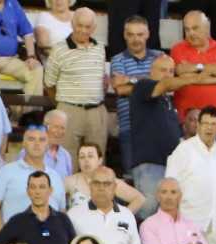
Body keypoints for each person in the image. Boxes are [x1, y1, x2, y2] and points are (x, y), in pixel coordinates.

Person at [128, 56, 198, 217]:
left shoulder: (166, 100)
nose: (167, 75)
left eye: (171, 71)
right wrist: (197, 77)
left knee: (166, 214)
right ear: (151, 71)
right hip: (150, 164)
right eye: (163, 70)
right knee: (149, 211)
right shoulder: (142, 86)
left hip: (170, 167)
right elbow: (166, 83)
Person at [42, 9, 108, 172]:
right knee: (67, 162)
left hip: (96, 112)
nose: (83, 30)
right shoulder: (59, 49)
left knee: (96, 163)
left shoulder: (99, 48)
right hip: (69, 111)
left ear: (93, 28)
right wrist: (63, 105)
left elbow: (101, 78)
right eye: (80, 25)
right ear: (72, 24)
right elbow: (49, 84)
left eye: (88, 26)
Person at [164, 108, 216, 234]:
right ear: (198, 125)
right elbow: (169, 189)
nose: (209, 128)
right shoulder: (183, 150)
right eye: (205, 124)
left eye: (213, 124)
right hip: (190, 224)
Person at [67, 168, 142, 244]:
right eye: (96, 183)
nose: (101, 188)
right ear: (90, 186)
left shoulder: (127, 215)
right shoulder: (73, 215)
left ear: (114, 187)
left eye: (106, 184)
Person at [0, 127, 68, 229]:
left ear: (47, 145)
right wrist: (4, 239)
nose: (37, 144)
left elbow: (62, 212)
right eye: (31, 139)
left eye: (42, 140)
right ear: (23, 144)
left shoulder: (56, 177)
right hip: (17, 241)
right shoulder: (6, 171)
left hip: (49, 240)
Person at [110, 16, 162, 174]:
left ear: (148, 34)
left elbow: (164, 83)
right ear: (125, 35)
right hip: (129, 128)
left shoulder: (160, 57)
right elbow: (120, 89)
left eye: (140, 34)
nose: (135, 39)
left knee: (160, 179)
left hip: (156, 128)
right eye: (131, 34)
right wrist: (151, 83)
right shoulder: (117, 59)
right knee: (131, 177)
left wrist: (129, 79)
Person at [169, 10, 216, 127]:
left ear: (207, 27)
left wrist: (196, 67)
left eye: (195, 28)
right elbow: (182, 74)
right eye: (187, 29)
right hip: (185, 123)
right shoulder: (177, 49)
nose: (191, 33)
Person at [138, 178, 210, 244]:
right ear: (157, 196)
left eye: (173, 192)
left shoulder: (190, 224)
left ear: (180, 197)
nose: (169, 197)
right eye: (164, 192)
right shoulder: (148, 225)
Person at [62, 143, 144, 215]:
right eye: (82, 157)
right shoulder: (70, 181)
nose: (86, 160)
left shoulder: (110, 181)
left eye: (90, 156)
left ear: (100, 160)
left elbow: (139, 199)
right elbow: (55, 201)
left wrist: (121, 216)